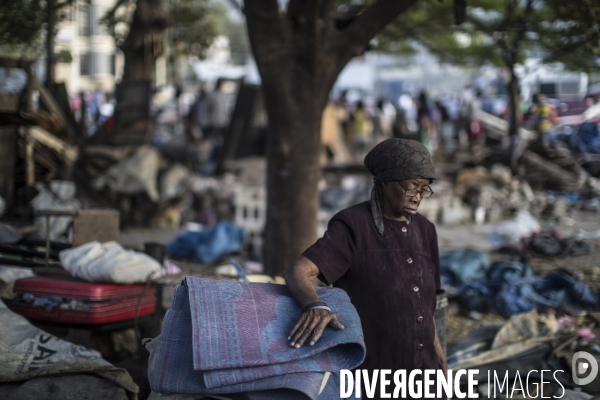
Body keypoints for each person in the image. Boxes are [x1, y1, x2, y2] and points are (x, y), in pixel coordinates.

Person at [285, 138, 447, 399]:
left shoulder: (426, 231)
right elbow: (299, 271)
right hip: (372, 380)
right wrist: (314, 305)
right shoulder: (354, 226)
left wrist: (443, 371)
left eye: (424, 189)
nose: (418, 197)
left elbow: (427, 312)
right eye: (410, 188)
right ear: (384, 183)